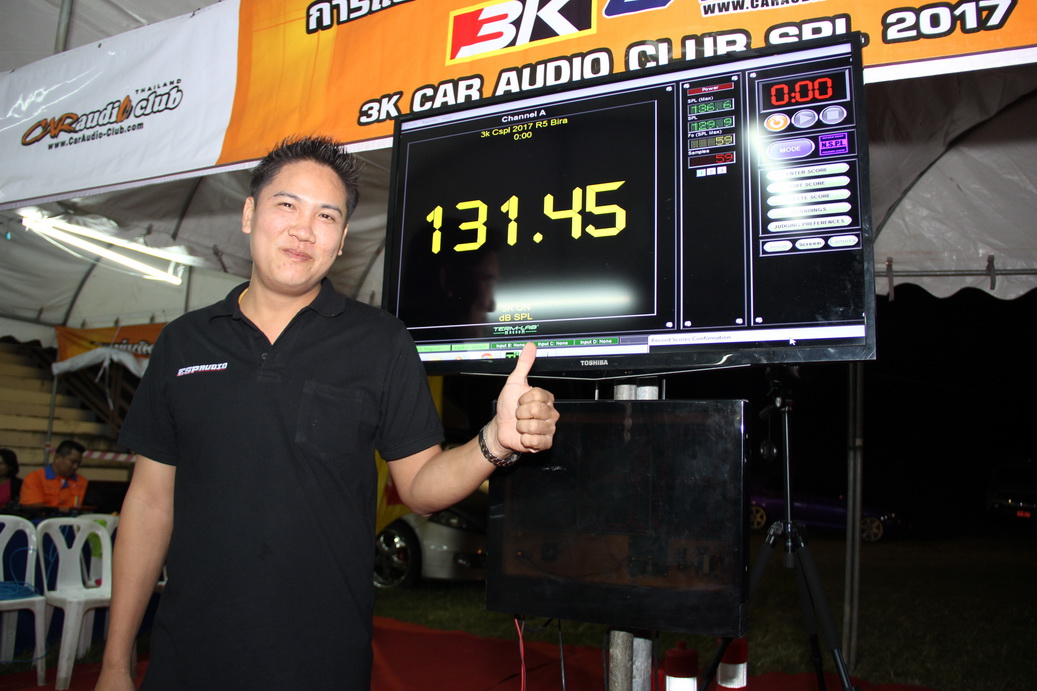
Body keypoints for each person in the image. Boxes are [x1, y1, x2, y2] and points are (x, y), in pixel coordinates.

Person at [95, 135, 558, 691]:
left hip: (320, 661)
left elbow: (420, 485)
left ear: (341, 241)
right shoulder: (183, 343)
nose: (303, 229)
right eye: (286, 205)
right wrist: (115, 663)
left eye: (326, 215)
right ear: (249, 214)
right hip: (186, 659)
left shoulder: (380, 342)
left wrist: (494, 441)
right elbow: (149, 503)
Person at [19, 439, 87, 509]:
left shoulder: (83, 483)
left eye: (78, 463)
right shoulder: (34, 479)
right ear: (58, 457)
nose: (76, 466)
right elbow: (34, 508)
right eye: (73, 462)